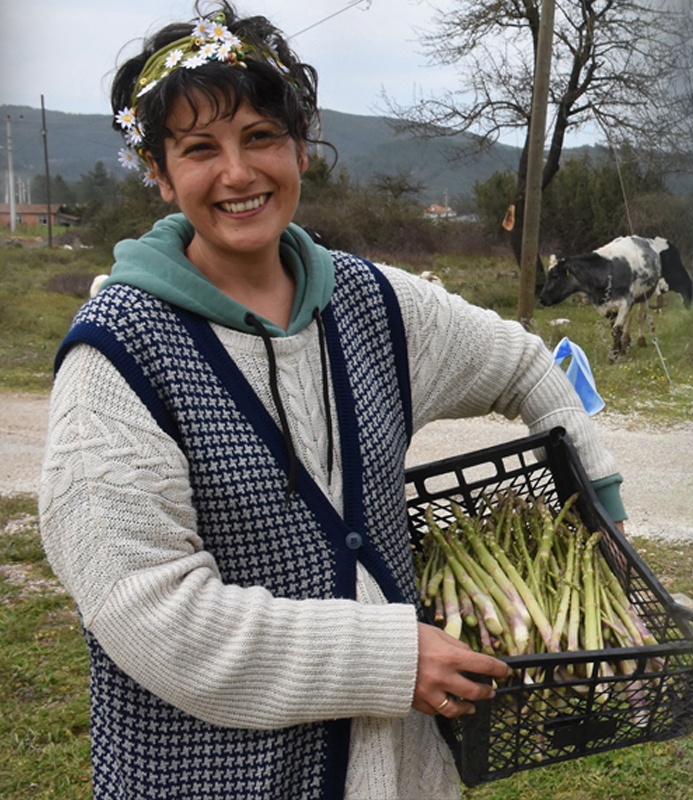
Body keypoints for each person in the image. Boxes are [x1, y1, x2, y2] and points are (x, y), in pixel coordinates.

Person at [37, 4, 628, 798]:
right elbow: (149, 613)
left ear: (302, 144)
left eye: (261, 137)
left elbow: (525, 363)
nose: (238, 173)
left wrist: (605, 512)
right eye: (199, 149)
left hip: (393, 771)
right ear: (158, 169)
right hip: (216, 775)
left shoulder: (372, 302)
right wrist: (391, 657)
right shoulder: (119, 354)